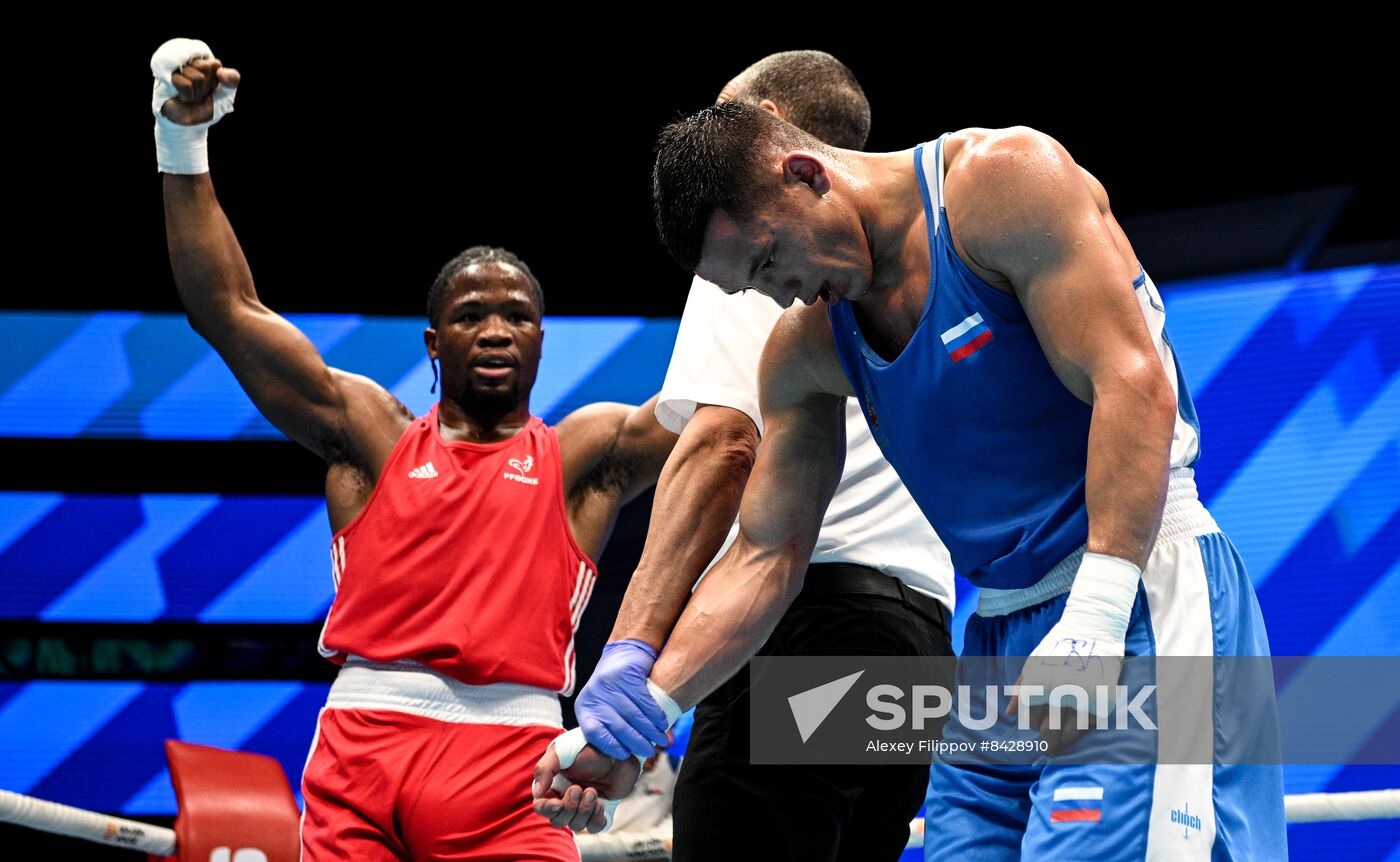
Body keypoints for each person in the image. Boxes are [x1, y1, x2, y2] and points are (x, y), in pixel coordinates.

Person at [548, 104, 1288, 858]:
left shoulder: (1001, 184)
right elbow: (764, 557)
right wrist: (643, 714)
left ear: (805, 174)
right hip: (998, 633)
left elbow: (1132, 383)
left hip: (1135, 589)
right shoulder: (808, 351)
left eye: (771, 260)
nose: (784, 294)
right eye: (755, 287)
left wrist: (1096, 623)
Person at [151, 39, 676, 860]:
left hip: (516, 762)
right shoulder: (369, 432)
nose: (495, 328)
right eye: (472, 315)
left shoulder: (588, 451)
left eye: (516, 314)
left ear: (542, 340)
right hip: (363, 745)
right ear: (436, 342)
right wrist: (181, 139)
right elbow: (226, 309)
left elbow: (722, 413)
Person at [562, 52, 956, 862]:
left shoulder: (753, 233)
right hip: (919, 645)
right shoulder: (915, 242)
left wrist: (629, 662)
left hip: (803, 625)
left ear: (772, 131)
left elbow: (724, 444)